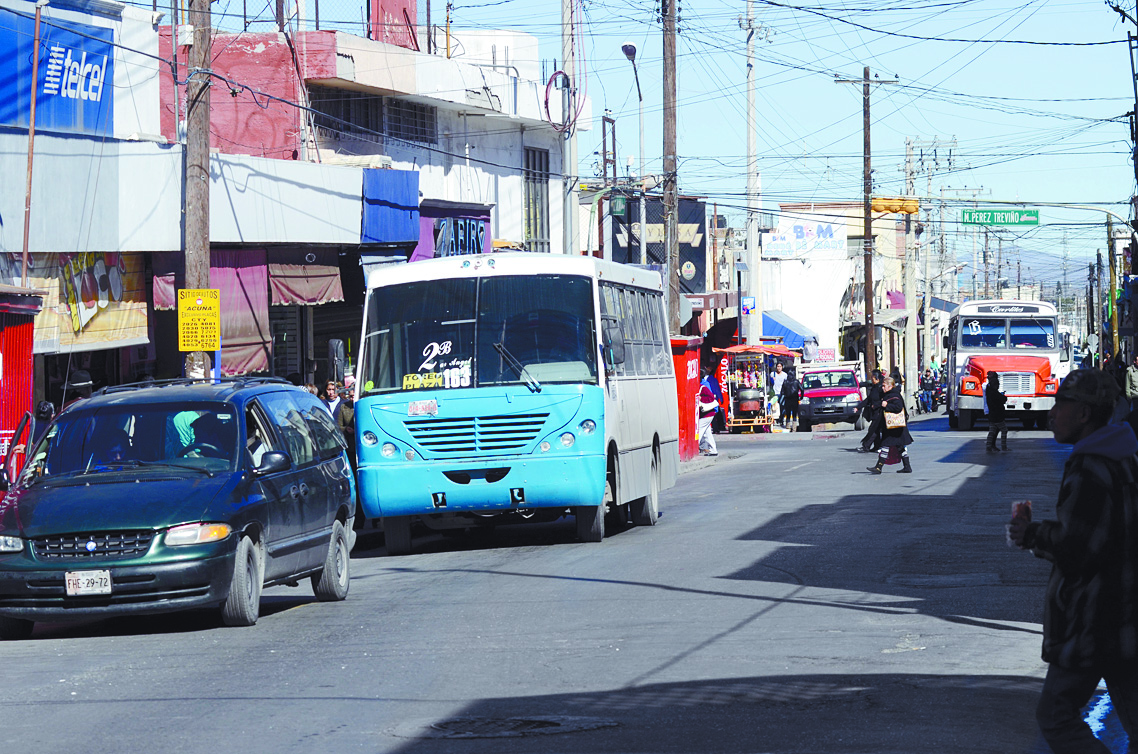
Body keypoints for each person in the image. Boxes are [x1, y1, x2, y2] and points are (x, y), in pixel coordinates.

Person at [1008, 369, 1138, 754]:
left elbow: (1080, 547)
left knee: (1056, 715)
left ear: (1084, 414)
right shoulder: (1124, 457)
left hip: (1095, 621)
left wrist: (1031, 534)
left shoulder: (1091, 465)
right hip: (1125, 619)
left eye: (1061, 404)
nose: (1052, 413)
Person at [866, 374, 913, 474]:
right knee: (900, 447)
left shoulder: (894, 396)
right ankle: (907, 466)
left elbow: (898, 407)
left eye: (884, 386)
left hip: (895, 428)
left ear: (890, 386)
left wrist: (887, 405)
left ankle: (878, 467)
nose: (882, 388)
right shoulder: (888, 395)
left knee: (885, 445)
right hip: (893, 427)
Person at [858, 370, 885, 453]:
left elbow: (884, 400)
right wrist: (858, 407)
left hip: (880, 412)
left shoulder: (881, 388)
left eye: (872, 378)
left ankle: (866, 446)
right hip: (874, 412)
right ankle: (877, 446)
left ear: (877, 379)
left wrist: (876, 405)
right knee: (876, 430)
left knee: (873, 430)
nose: (871, 379)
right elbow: (869, 399)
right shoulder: (874, 388)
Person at [985, 371, 1009, 452]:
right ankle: (1003, 446)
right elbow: (1002, 399)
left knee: (992, 431)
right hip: (998, 415)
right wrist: (1003, 396)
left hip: (992, 414)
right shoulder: (994, 393)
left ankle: (989, 446)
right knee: (1004, 430)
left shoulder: (988, 390)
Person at [697, 368, 719, 456]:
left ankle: (695, 447)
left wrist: (701, 399)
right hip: (707, 414)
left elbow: (711, 398)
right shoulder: (701, 386)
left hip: (707, 414)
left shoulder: (702, 387)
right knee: (707, 433)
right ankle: (713, 450)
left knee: (699, 430)